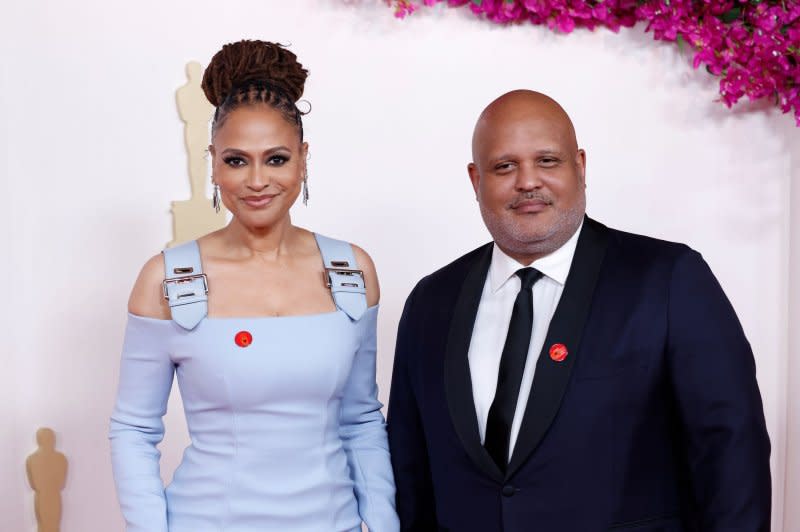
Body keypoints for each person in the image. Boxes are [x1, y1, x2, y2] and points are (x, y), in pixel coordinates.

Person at [387, 89, 771, 531]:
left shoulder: (668, 280)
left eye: (547, 161)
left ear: (581, 167)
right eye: (504, 166)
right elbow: (409, 468)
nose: (527, 181)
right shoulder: (431, 302)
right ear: (476, 180)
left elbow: (731, 450)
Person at [109, 40, 399, 532]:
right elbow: (134, 429)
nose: (257, 180)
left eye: (277, 159)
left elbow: (362, 420)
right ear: (214, 162)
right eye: (237, 160)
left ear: (303, 159)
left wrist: (384, 524)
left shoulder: (351, 272)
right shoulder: (167, 279)